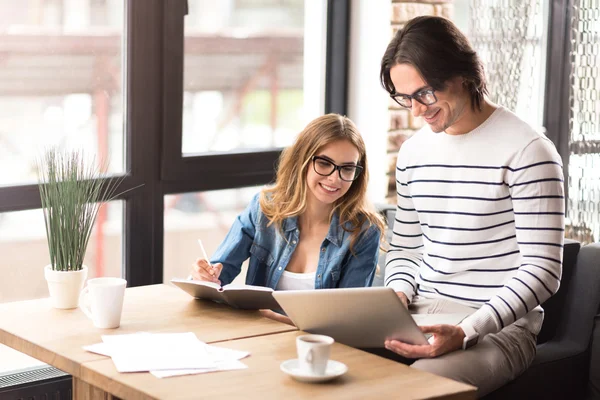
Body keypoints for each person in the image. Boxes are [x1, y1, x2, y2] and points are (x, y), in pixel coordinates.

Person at [379, 16, 565, 397]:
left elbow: (544, 270)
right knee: (327, 360)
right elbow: (406, 248)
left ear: (462, 73)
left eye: (425, 93)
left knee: (415, 389)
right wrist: (397, 292)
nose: (416, 111)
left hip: (499, 331)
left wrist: (467, 331)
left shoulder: (528, 150)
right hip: (420, 312)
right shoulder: (413, 152)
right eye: (405, 98)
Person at [190, 113, 385, 323]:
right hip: (258, 342)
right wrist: (203, 278)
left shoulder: (364, 231)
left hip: (319, 349)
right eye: (324, 163)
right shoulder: (264, 209)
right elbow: (216, 278)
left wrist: (277, 320)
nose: (334, 178)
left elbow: (348, 321)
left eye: (347, 168)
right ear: (302, 159)